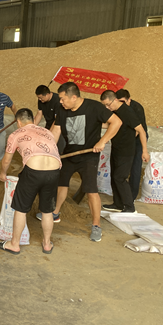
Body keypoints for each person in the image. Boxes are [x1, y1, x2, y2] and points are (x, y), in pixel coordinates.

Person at [46, 82, 122, 242]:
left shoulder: (94, 107)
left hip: (89, 156)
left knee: (91, 190)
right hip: (69, 153)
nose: (60, 102)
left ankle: (96, 225)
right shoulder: (62, 110)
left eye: (63, 99)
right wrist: (49, 151)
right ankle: (55, 213)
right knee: (61, 184)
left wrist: (102, 141)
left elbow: (116, 122)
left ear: (74, 97)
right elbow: (56, 131)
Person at [0, 108, 61, 255]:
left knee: (21, 209)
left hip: (33, 171)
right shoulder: (46, 132)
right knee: (47, 211)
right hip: (54, 171)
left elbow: (7, 160)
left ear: (18, 122)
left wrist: (3, 173)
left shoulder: (16, 134)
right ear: (32, 119)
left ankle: (14, 244)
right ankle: (47, 244)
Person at [100, 90, 149, 213]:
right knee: (114, 176)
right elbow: (109, 125)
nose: (107, 108)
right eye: (105, 105)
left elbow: (141, 131)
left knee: (120, 177)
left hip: (126, 151)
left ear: (115, 100)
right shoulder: (114, 111)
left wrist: (144, 151)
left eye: (108, 104)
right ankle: (118, 204)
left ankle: (129, 206)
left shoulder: (127, 112)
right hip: (116, 148)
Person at [115, 89, 148, 201]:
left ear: (129, 99)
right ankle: (122, 194)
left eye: (123, 102)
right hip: (125, 137)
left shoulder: (137, 108)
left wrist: (144, 150)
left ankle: (132, 196)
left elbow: (138, 130)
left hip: (138, 138)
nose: (121, 104)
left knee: (135, 166)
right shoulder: (117, 107)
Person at [34, 84, 66, 153]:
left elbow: (57, 120)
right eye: (38, 98)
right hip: (48, 124)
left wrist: (49, 133)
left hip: (58, 127)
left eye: (41, 97)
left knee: (57, 146)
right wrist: (32, 127)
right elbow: (39, 114)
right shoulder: (41, 100)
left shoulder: (57, 101)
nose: (39, 99)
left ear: (47, 94)